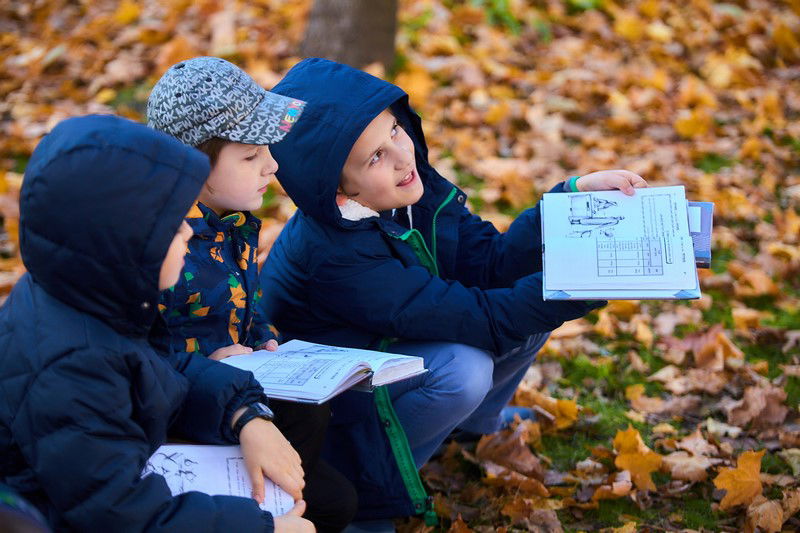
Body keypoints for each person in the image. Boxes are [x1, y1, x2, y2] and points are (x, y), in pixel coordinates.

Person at [258, 58, 647, 522]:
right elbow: (473, 317)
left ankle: (475, 430)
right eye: (375, 157)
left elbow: (492, 263)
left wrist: (570, 197)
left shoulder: (409, 189)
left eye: (395, 133)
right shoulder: (336, 256)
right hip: (334, 400)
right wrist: (567, 290)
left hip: (394, 339)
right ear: (341, 193)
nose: (403, 157)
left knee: (524, 309)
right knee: (465, 369)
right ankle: (380, 489)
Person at [0, 115, 312, 533]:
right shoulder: (70, 365)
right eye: (170, 226)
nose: (188, 232)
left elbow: (158, 367)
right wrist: (263, 529)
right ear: (119, 242)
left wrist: (244, 413)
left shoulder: (90, 298)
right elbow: (118, 516)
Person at [147, 57, 357, 532]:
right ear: (191, 166)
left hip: (240, 390)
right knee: (333, 503)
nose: (273, 164)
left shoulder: (233, 223)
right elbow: (144, 356)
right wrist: (210, 364)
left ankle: (286, 501)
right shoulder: (165, 249)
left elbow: (245, 305)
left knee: (330, 476)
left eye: (266, 148)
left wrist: (263, 339)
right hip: (187, 416)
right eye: (250, 156)